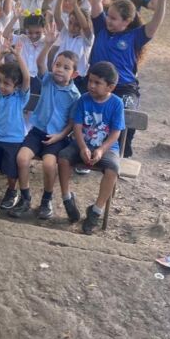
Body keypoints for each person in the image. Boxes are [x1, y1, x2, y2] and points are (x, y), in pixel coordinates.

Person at [89, 0, 170, 157]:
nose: (108, 20)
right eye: (108, 16)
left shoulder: (135, 36)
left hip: (124, 87)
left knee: (126, 120)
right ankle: (91, 151)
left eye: (113, 18)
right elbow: (95, 3)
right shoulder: (101, 28)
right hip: (96, 83)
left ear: (127, 21)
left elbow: (156, 22)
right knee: (91, 119)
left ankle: (120, 154)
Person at [9, 24, 80, 220]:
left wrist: (60, 136)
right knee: (22, 158)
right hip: (37, 131)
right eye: (58, 65)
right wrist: (48, 45)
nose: (60, 70)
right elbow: (40, 63)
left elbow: (72, 123)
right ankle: (25, 198)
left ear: (74, 74)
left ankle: (46, 200)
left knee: (49, 165)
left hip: (57, 137)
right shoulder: (47, 80)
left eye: (66, 68)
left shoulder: (75, 95)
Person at [57, 61, 125, 235]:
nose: (91, 85)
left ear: (110, 87)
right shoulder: (84, 99)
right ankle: (67, 198)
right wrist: (82, 147)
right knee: (63, 158)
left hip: (107, 148)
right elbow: (77, 126)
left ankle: (96, 211)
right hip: (81, 143)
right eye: (90, 81)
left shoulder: (116, 104)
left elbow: (115, 133)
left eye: (97, 83)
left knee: (113, 169)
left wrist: (101, 150)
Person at [0, 38, 30, 214]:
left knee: (11, 170)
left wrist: (18, 56)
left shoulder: (20, 97)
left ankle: (12, 191)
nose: (2, 86)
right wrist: (1, 53)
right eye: (1, 82)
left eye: (7, 84)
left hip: (13, 139)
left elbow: (26, 78)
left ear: (16, 87)